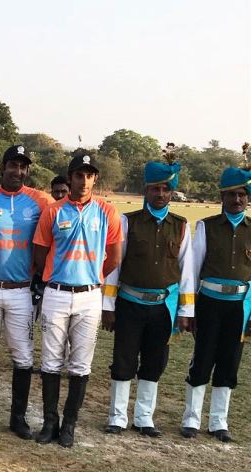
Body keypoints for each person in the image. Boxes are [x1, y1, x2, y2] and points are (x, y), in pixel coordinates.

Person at [32, 151, 122, 448]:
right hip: (56, 293)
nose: (84, 181)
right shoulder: (53, 211)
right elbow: (40, 253)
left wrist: (92, 276)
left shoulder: (107, 212)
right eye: (79, 175)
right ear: (70, 178)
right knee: (51, 362)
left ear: (95, 178)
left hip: (89, 296)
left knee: (81, 365)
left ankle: (69, 424)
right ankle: (49, 422)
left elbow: (114, 257)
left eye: (90, 175)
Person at [101, 158, 194, 437]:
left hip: (163, 307)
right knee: (123, 360)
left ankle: (144, 418)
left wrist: (186, 311)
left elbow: (186, 270)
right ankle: (117, 417)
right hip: (130, 304)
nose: (161, 194)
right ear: (146, 190)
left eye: (166, 189)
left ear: (171, 192)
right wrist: (108, 306)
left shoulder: (180, 226)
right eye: (155, 188)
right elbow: (115, 265)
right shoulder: (128, 222)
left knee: (154, 362)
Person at [0, 145, 54, 439]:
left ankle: (18, 418)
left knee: (23, 357)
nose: (18, 171)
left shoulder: (41, 201)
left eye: (23, 167)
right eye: (13, 165)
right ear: (2, 168)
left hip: (21, 291)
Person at [179, 166, 251, 443]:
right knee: (203, 359)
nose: (237, 200)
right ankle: (191, 419)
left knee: (229, 363)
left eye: (242, 195)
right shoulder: (207, 227)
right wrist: (190, 309)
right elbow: (193, 270)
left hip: (239, 307)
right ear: (222, 196)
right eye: (232, 194)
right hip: (210, 303)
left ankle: (219, 421)